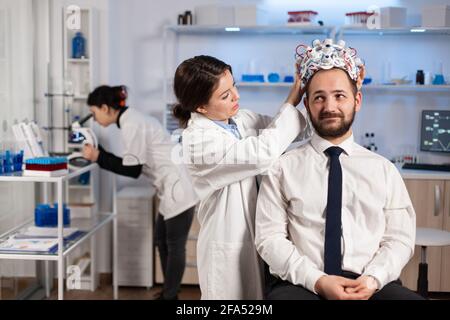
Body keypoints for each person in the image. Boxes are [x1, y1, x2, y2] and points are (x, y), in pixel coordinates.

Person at [255, 39, 423, 300]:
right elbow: (269, 238)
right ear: (307, 104)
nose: (329, 107)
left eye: (339, 96)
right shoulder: (282, 168)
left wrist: (372, 279)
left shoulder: (384, 170)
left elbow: (399, 239)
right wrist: (318, 280)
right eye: (319, 97)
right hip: (303, 283)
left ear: (357, 100)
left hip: (370, 283)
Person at [172, 55, 311, 300]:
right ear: (201, 107)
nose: (236, 96)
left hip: (262, 238)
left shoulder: (241, 119)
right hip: (228, 244)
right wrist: (292, 98)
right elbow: (263, 153)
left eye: (233, 86)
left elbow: (291, 130)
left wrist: (317, 96)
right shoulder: (197, 141)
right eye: (225, 96)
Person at [82, 85, 198, 300]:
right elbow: (131, 162)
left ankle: (170, 296)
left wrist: (98, 157)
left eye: (94, 112)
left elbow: (131, 169)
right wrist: (100, 155)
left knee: (174, 245)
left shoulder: (131, 123)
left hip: (178, 188)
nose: (94, 118)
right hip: (169, 188)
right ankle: (169, 292)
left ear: (105, 108)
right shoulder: (130, 120)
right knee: (162, 242)